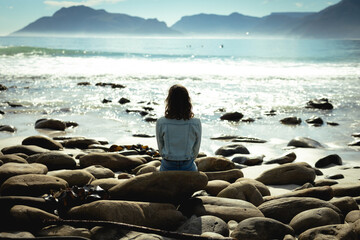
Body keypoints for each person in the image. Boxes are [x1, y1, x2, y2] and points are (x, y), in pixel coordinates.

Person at [156, 84, 202, 171]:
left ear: (169, 101)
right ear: (187, 101)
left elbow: (160, 147)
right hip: (188, 165)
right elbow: (196, 148)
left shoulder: (161, 122)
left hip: (168, 165)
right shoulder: (196, 122)